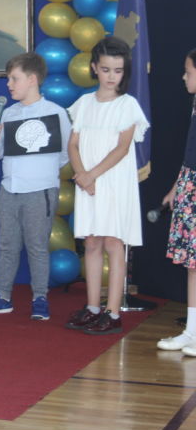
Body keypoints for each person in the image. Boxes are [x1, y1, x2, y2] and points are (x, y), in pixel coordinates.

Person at [0, 52, 70, 319]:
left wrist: (43, 174)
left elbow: (65, 153)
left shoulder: (55, 113)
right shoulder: (9, 113)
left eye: (14, 79)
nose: (9, 84)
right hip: (9, 189)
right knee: (7, 245)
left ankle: (40, 298)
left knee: (37, 246)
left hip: (40, 190)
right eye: (8, 79)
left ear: (32, 79)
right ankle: (2, 296)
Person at [65, 36, 148, 335]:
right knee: (92, 241)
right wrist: (81, 174)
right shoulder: (84, 103)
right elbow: (73, 144)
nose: (111, 76)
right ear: (94, 68)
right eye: (106, 69)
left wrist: (92, 175)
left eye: (118, 70)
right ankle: (92, 308)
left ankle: (112, 312)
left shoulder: (128, 105)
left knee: (113, 242)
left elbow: (122, 148)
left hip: (112, 181)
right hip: (87, 182)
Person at [158, 49, 196, 355]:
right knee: (192, 265)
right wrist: (177, 187)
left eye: (189, 71)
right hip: (190, 185)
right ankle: (192, 331)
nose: (184, 77)